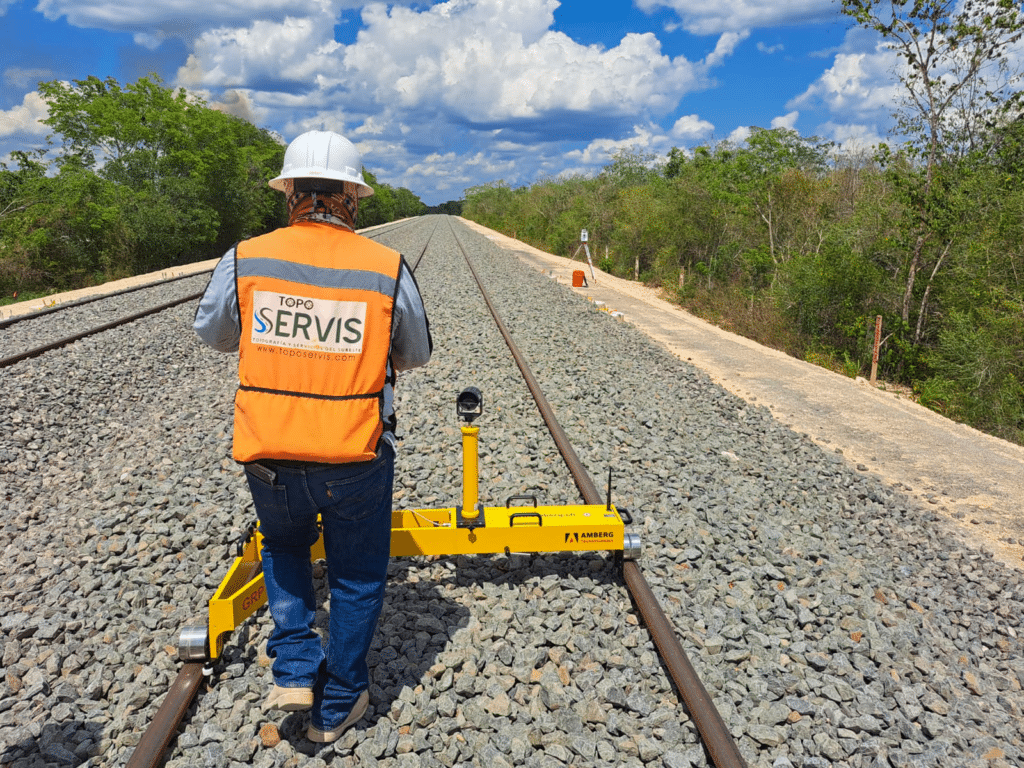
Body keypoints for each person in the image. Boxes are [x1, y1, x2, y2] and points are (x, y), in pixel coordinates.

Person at [193, 130, 432, 743]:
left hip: (269, 450)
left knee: (284, 547)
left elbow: (216, 334)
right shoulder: (384, 265)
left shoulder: (246, 256)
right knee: (355, 576)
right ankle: (339, 704)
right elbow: (416, 351)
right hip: (354, 450)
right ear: (353, 195)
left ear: (290, 192)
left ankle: (296, 663)